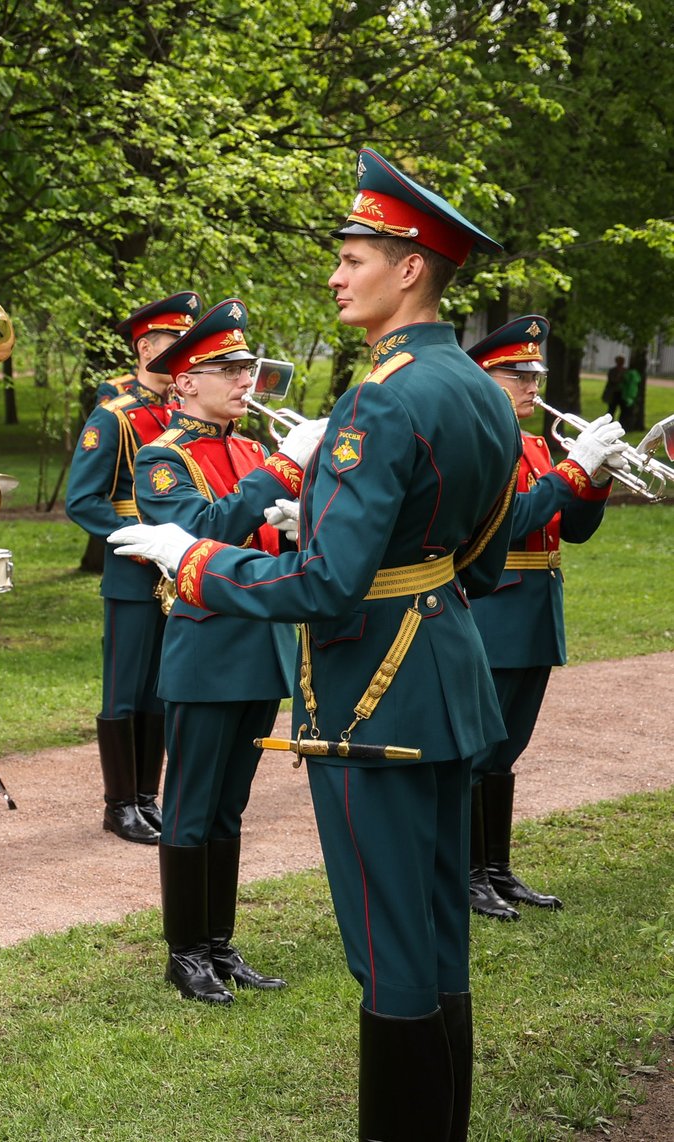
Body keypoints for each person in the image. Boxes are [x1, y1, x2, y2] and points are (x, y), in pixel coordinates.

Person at [110, 147, 520, 1140]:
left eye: (352, 256)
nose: (336, 274)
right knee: (433, 934)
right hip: (441, 671)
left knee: (386, 946)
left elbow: (326, 582)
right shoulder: (471, 384)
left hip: (370, 691)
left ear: (408, 265)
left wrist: (191, 557)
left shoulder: (378, 395)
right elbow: (480, 556)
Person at [133, 297, 323, 1005]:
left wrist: (299, 526)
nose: (246, 381)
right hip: (208, 650)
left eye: (248, 368)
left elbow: (263, 541)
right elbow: (202, 533)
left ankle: (218, 943)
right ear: (184, 382)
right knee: (189, 805)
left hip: (261, 648)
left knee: (229, 806)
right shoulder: (162, 458)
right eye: (228, 369)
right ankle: (185, 953)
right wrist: (279, 474)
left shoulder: (246, 450)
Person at [462, 316, 626, 922]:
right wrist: (572, 470)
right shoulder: (481, 440)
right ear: (483, 378)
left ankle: (496, 869)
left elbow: (572, 530)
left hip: (533, 613)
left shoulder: (532, 444)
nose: (534, 383)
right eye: (518, 373)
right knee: (479, 751)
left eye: (537, 372)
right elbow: (514, 517)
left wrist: (597, 478)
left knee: (506, 750)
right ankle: (466, 875)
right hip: (493, 609)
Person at [66, 290, 199, 844]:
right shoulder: (115, 415)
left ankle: (148, 797)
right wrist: (137, 541)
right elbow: (84, 500)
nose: (186, 354)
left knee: (163, 689)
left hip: (181, 567)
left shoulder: (183, 416)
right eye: (176, 343)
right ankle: (118, 803)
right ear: (147, 347)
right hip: (134, 569)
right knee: (125, 689)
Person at [602, 355, 627, 421]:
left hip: (623, 394)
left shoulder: (626, 371)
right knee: (611, 409)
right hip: (613, 393)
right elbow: (612, 380)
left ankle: (621, 423)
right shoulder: (612, 371)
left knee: (623, 410)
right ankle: (609, 422)